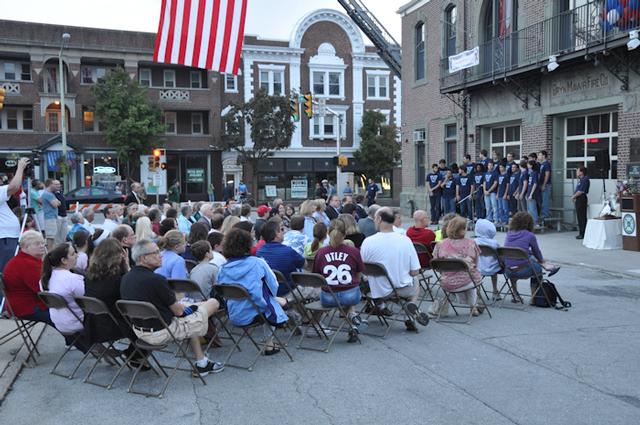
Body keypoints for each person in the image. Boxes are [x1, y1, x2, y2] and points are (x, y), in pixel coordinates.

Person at [121, 239, 224, 375]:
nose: (161, 255)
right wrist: (194, 308)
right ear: (143, 258)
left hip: (140, 330)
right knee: (213, 303)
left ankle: (202, 362)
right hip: (162, 332)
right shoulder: (156, 280)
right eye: (156, 252)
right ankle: (202, 363)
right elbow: (179, 312)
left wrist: (193, 307)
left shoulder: (126, 278)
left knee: (191, 313)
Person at [217, 228, 289, 355]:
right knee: (270, 302)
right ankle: (269, 344)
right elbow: (274, 285)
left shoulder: (222, 269)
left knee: (267, 300)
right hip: (255, 313)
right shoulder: (258, 263)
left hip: (233, 313)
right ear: (248, 244)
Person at [360, 207, 429, 331]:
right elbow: (415, 271)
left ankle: (382, 305)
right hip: (402, 288)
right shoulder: (405, 241)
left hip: (376, 290)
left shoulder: (367, 242)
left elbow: (362, 269)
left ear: (379, 219)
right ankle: (409, 310)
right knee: (415, 279)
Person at [313, 219, 366, 343]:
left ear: (328, 233)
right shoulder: (354, 251)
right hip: (351, 296)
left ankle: (352, 320)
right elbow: (358, 276)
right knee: (350, 288)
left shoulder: (321, 252)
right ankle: (352, 318)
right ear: (345, 233)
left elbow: (317, 276)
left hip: (328, 298)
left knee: (341, 292)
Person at [83, 238, 134, 346]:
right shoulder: (118, 278)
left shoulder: (89, 275)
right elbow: (132, 295)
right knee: (148, 319)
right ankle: (134, 356)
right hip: (115, 325)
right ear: (119, 255)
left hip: (93, 325)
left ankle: (133, 355)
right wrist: (128, 266)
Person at [432, 216, 484, 316]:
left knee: (467, 274)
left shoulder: (440, 244)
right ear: (459, 230)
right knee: (473, 276)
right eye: (464, 228)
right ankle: (473, 307)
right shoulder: (471, 243)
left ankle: (447, 302)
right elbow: (477, 264)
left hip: (446, 282)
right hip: (467, 281)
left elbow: (436, 264)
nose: (466, 230)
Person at [40, 243, 89, 350]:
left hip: (59, 323)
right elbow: (88, 299)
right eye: (72, 254)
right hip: (77, 323)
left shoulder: (44, 279)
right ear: (64, 260)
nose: (76, 255)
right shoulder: (72, 279)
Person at [504, 212, 560, 303]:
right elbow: (537, 252)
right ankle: (534, 298)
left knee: (519, 260)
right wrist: (541, 261)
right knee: (537, 269)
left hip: (508, 271)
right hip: (523, 271)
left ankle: (514, 294)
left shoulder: (509, 233)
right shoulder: (530, 235)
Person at [3, 230, 50, 325]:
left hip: (18, 306)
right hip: (27, 308)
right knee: (67, 317)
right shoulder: (27, 264)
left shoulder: (21, 260)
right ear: (25, 247)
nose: (42, 246)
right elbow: (43, 290)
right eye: (37, 244)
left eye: (42, 243)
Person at [257, 220, 308, 300]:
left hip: (268, 292)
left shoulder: (259, 252)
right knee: (319, 291)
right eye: (281, 230)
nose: (283, 232)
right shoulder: (288, 251)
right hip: (288, 292)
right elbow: (305, 264)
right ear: (276, 235)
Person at [475, 219, 502, 300]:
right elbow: (499, 255)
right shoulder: (494, 243)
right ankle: (495, 290)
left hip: (477, 268)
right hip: (492, 269)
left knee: (477, 267)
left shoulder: (474, 242)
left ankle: (477, 292)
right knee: (494, 264)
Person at [42, 178, 62, 251]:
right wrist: (57, 202)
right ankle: (50, 251)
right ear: (50, 185)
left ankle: (51, 251)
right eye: (55, 184)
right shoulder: (48, 194)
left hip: (52, 217)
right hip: (50, 218)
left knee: (53, 236)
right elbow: (56, 204)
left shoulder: (50, 194)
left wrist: (57, 202)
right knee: (50, 237)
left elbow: (59, 202)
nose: (57, 186)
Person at [572, 166, 590, 240]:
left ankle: (583, 233)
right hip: (578, 198)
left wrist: (573, 197)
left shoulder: (585, 180)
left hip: (581, 198)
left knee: (582, 216)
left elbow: (581, 191)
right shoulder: (581, 179)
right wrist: (575, 197)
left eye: (578, 171)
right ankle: (581, 232)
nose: (576, 172)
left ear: (581, 172)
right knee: (579, 216)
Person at [538, 150, 552, 222]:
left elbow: (547, 174)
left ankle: (545, 214)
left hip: (546, 185)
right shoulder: (542, 164)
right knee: (542, 200)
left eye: (540, 155)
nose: (538, 156)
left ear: (543, 156)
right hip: (541, 184)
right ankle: (543, 213)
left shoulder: (546, 164)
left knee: (545, 200)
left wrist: (544, 184)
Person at [526, 160, 541, 224]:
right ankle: (531, 223)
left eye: (528, 164)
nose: (527, 165)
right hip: (529, 193)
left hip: (533, 194)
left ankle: (536, 222)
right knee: (529, 210)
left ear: (531, 165)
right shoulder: (531, 173)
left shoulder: (535, 173)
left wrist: (531, 194)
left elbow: (535, 184)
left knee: (533, 209)